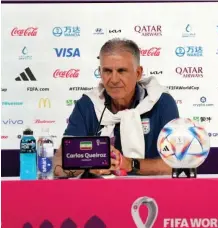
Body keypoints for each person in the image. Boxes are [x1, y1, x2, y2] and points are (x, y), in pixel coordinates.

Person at [53, 38, 179, 177]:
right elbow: (58, 164)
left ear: (138, 73)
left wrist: (129, 164)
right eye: (107, 71)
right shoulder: (88, 104)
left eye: (121, 71)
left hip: (150, 193)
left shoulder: (161, 102)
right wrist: (89, 167)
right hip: (99, 193)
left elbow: (176, 162)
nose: (113, 79)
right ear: (100, 72)